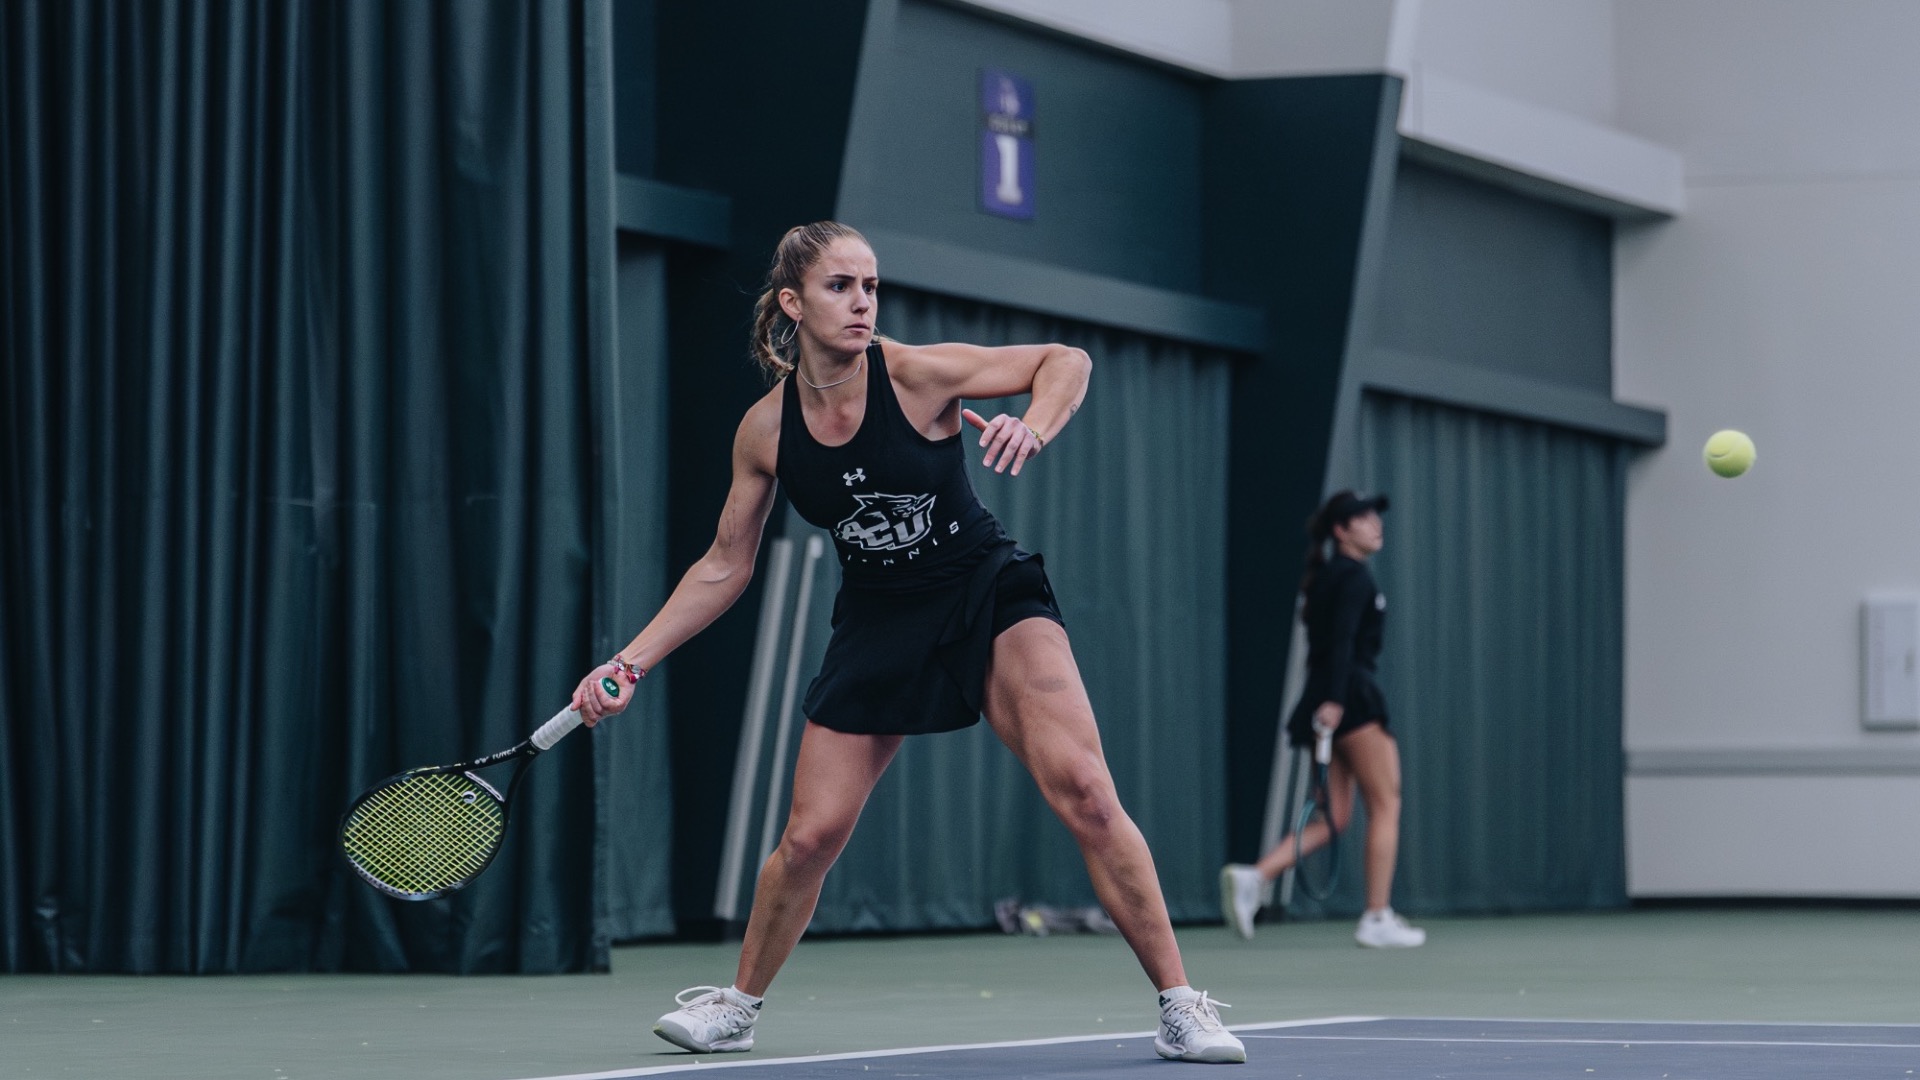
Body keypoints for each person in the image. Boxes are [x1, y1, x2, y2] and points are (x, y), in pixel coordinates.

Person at [570, 221, 1245, 1065]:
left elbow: (1064, 361)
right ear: (792, 303)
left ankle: (1181, 1005)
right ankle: (737, 1006)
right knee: (809, 839)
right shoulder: (765, 431)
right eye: (840, 287)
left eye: (871, 286)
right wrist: (630, 659)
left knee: (1085, 789)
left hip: (985, 591)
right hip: (879, 617)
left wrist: (1033, 426)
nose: (862, 303)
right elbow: (722, 565)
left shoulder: (916, 374)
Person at [1219, 490, 1426, 949]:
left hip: (1332, 702)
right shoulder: (1353, 579)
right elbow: (1343, 644)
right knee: (1386, 803)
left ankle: (1255, 877)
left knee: (1335, 817)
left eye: (1376, 517)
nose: (1376, 524)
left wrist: (1328, 703)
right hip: (1350, 701)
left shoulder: (1333, 576)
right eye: (1363, 518)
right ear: (1341, 531)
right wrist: (1335, 701)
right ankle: (1376, 916)